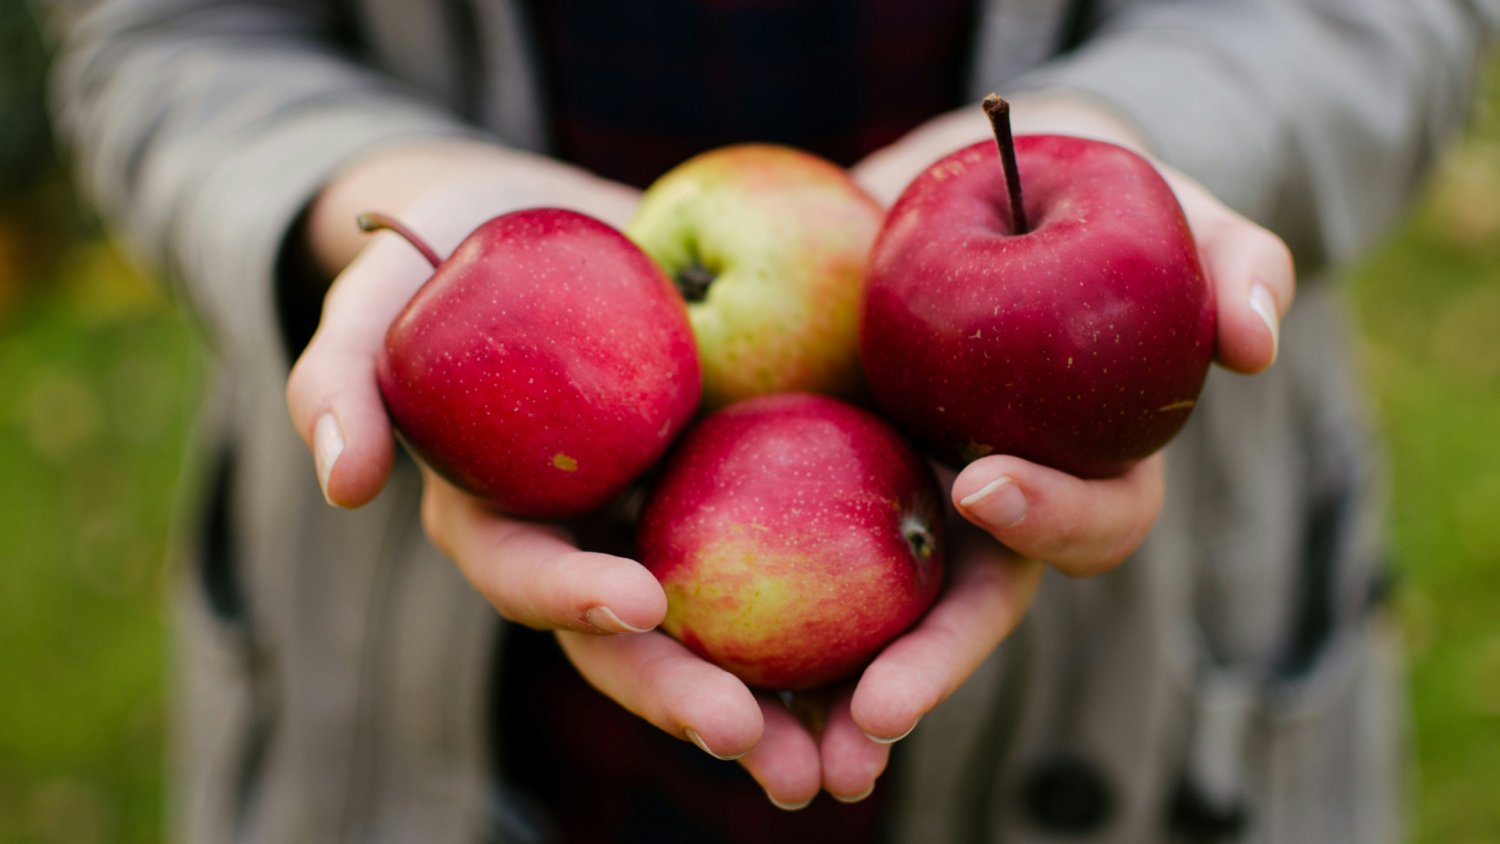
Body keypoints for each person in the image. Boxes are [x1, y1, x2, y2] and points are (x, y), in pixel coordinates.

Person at [43, 0, 1496, 841]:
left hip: (1143, 677)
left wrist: (1135, 125)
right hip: (420, 698)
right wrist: (368, 185)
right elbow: (160, 36)